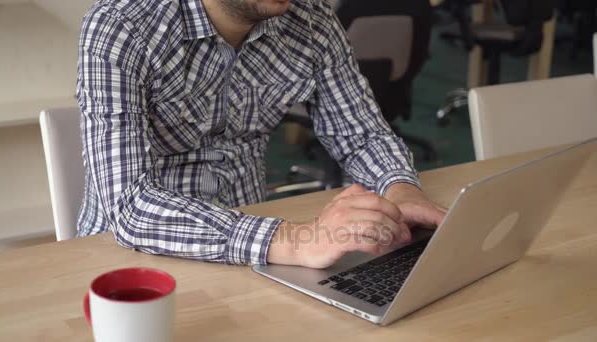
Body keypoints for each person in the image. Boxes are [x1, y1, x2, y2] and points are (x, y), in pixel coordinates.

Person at [77, 0, 447, 269]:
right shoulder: (121, 25)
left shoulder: (312, 22)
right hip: (131, 257)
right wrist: (297, 240)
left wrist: (401, 189)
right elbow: (130, 206)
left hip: (259, 248)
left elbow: (362, 134)